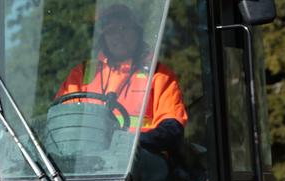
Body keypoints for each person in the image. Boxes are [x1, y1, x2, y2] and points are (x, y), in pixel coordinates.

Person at [55, 3, 187, 155]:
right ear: (103, 37)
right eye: (110, 31)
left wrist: (134, 144)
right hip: (86, 166)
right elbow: (60, 123)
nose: (118, 35)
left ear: (137, 32)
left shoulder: (159, 75)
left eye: (124, 28)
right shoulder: (81, 73)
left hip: (140, 164)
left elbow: (172, 129)